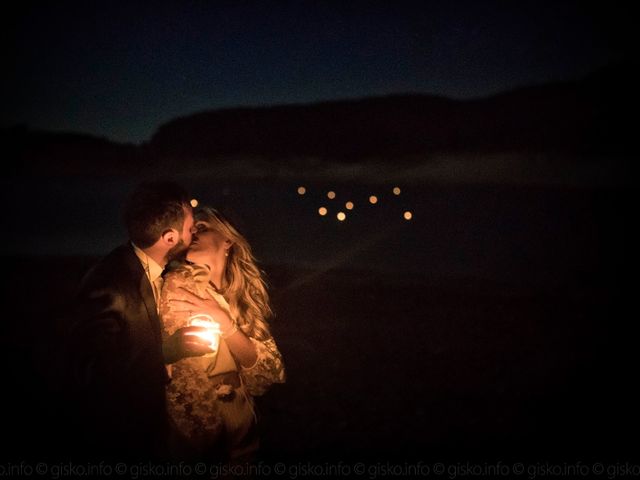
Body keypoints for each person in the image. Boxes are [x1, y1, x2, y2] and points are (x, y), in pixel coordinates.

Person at [64, 181, 215, 461]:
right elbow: (89, 371)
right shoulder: (110, 285)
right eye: (190, 229)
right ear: (169, 238)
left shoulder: (154, 269)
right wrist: (167, 352)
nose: (194, 233)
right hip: (120, 441)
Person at [159, 206, 285, 463]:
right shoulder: (175, 288)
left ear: (228, 239)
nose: (193, 233)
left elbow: (266, 375)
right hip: (193, 437)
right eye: (191, 228)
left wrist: (225, 323)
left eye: (202, 228)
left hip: (241, 431)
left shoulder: (242, 297)